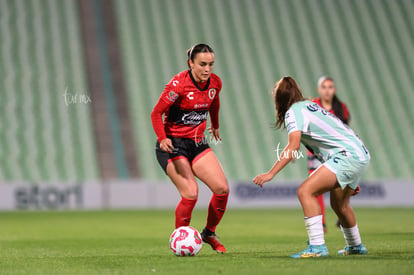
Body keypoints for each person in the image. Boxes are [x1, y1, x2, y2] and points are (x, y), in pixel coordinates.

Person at [253, 76, 370, 258]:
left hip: (348, 156)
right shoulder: (309, 106)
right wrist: (351, 172)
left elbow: (293, 147)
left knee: (305, 191)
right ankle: (355, 246)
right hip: (359, 153)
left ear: (280, 97)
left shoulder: (293, 112)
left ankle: (317, 247)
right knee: (340, 204)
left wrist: (270, 174)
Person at [151, 43, 229, 253]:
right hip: (172, 145)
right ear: (191, 63)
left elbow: (214, 103)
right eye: (202, 64)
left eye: (211, 64)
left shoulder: (215, 83)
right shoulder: (178, 85)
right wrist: (162, 137)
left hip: (196, 143)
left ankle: (208, 233)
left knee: (222, 189)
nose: (207, 69)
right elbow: (156, 113)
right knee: (191, 192)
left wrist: (216, 125)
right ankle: (180, 241)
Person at [307, 76, 350, 232]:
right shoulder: (313, 105)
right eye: (324, 87)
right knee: (315, 189)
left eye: (330, 87)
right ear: (319, 90)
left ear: (334, 89)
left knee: (339, 187)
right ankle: (321, 223)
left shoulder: (341, 108)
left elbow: (346, 131)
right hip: (317, 152)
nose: (327, 90)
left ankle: (342, 215)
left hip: (337, 152)